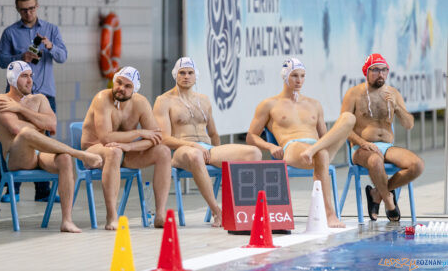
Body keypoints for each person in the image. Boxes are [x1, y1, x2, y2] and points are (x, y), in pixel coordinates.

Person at [0, 61, 103, 233]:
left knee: (64, 159)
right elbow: (16, 128)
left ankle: (67, 221)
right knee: (26, 133)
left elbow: (52, 125)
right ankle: (80, 154)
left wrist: (21, 108)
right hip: (17, 157)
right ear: (13, 80)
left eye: (31, 76)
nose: (30, 81)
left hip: (41, 155)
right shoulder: (1, 100)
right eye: (24, 76)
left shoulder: (40, 99)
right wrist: (39, 124)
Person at [153, 57, 262, 227]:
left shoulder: (203, 99)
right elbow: (164, 139)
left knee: (254, 152)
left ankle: (244, 208)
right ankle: (216, 211)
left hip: (208, 150)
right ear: (175, 75)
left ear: (196, 76)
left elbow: (213, 133)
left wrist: (219, 156)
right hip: (181, 150)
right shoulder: (164, 101)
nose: (186, 76)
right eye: (182, 73)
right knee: (196, 155)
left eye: (190, 73)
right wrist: (192, 145)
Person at [246, 58, 355, 228]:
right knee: (321, 154)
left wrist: (316, 147)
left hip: (317, 149)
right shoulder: (269, 104)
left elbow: (325, 136)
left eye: (302, 76)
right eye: (294, 75)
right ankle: (330, 214)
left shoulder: (314, 104)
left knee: (349, 118)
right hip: (293, 147)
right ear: (285, 77)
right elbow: (251, 136)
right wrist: (271, 146)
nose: (299, 80)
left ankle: (314, 151)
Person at [0, 0, 68, 202]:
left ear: (37, 7)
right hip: (18, 95)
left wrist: (51, 47)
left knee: (44, 140)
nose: (28, 13)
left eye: (31, 9)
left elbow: (63, 56)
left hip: (44, 93)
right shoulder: (10, 33)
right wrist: (21, 57)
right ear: (18, 10)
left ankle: (43, 192)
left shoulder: (51, 30)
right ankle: (13, 189)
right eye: (23, 10)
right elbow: (2, 61)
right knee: (16, 137)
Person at [81, 67, 171, 230]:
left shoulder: (141, 103)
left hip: (124, 152)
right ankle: (112, 216)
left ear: (134, 89)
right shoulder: (102, 98)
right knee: (114, 151)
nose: (121, 88)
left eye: (127, 86)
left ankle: (160, 214)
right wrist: (138, 132)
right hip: (94, 151)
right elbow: (105, 138)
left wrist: (130, 145)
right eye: (119, 83)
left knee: (163, 151)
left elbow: (156, 138)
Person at [340, 53, 424, 221]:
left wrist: (397, 108)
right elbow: (343, 128)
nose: (381, 74)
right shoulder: (354, 94)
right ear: (366, 72)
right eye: (376, 70)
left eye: (384, 70)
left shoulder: (393, 93)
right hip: (361, 148)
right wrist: (363, 143)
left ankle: (376, 194)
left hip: (387, 147)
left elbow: (409, 125)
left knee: (417, 165)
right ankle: (389, 202)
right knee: (375, 160)